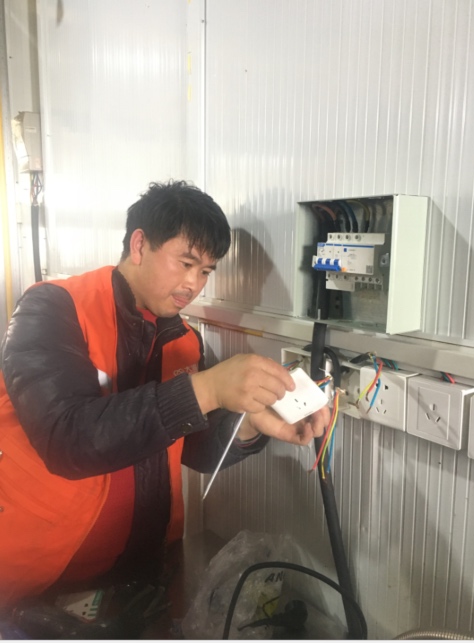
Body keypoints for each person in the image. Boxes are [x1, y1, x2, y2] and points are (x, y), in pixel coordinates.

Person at [0, 180, 330, 608]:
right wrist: (206, 389)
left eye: (206, 271)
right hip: (37, 577)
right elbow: (67, 441)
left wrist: (247, 425)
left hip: (141, 568)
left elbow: (196, 450)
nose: (193, 284)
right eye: (186, 263)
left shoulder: (185, 340)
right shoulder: (52, 308)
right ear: (139, 245)